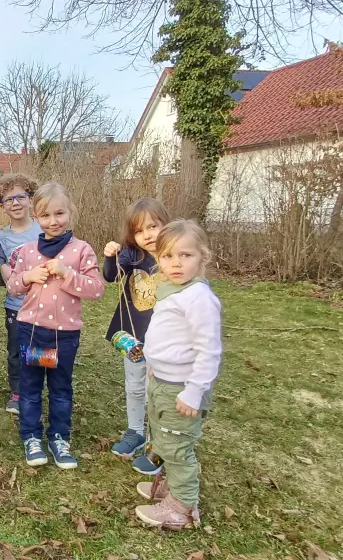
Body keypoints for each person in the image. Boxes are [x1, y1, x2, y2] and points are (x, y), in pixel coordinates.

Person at [6, 182, 105, 469]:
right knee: (31, 386)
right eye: (45, 216)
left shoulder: (82, 250)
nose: (53, 221)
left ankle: (59, 438)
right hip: (31, 331)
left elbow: (96, 289)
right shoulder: (27, 251)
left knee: (61, 389)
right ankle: (31, 437)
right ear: (36, 217)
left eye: (59, 213)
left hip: (65, 336)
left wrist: (67, 273)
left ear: (70, 212)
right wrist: (27, 277)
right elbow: (12, 286)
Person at [134, 219, 222, 531]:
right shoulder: (172, 290)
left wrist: (194, 391)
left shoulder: (198, 298)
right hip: (163, 380)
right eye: (168, 256)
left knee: (177, 446)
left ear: (203, 257)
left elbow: (209, 350)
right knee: (164, 440)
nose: (176, 263)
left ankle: (182, 508)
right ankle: (173, 488)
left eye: (185, 255)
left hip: (182, 390)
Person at [102, 198, 172, 473]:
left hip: (167, 340)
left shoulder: (174, 257)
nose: (148, 235)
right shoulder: (132, 255)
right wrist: (110, 255)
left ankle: (159, 444)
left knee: (158, 392)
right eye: (141, 231)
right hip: (134, 335)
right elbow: (110, 276)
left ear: (166, 224)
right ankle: (134, 432)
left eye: (153, 226)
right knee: (134, 385)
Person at [0, 173, 43, 415]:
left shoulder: (43, 229)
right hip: (15, 304)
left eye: (20, 196)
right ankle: (17, 391)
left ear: (31, 199)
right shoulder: (3, 236)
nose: (15, 202)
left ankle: (37, 388)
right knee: (16, 349)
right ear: (2, 206)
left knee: (40, 348)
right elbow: (2, 262)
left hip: (44, 305)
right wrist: (4, 270)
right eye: (8, 199)